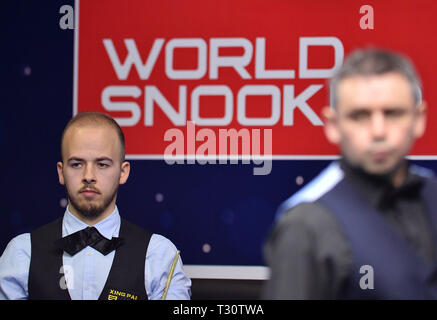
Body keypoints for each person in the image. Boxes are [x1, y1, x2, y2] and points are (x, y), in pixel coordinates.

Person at [263, 48, 437, 299]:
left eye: (393, 113)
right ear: (333, 126)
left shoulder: (432, 195)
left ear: (419, 119)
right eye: (360, 116)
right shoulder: (306, 225)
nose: (379, 131)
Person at [0, 112, 191, 300]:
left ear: (123, 172)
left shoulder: (159, 255)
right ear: (61, 172)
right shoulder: (22, 252)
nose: (88, 175)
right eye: (76, 164)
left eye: (102, 164)